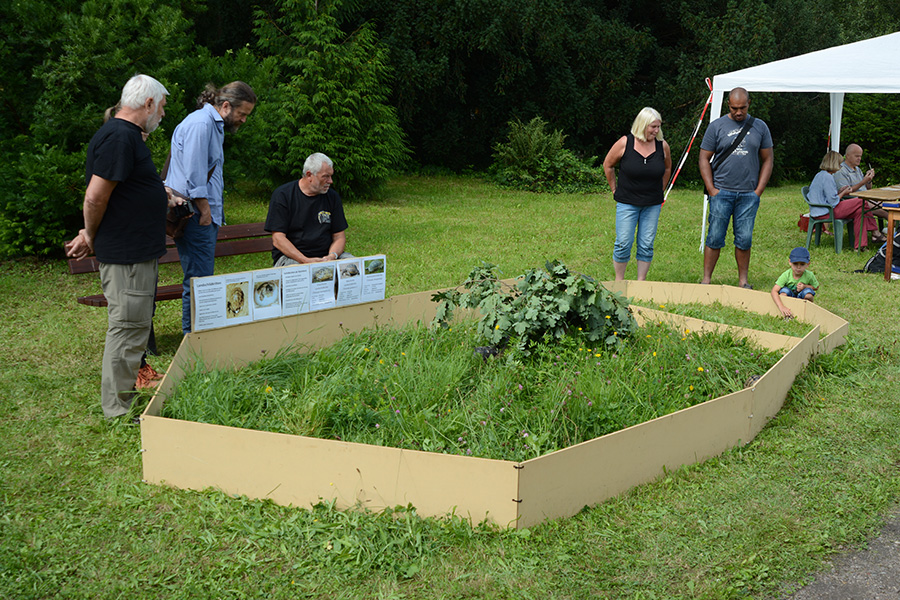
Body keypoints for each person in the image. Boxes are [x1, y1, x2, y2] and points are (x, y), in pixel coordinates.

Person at [65, 74, 175, 420]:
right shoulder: (119, 137)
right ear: (148, 104)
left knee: (135, 326)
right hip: (127, 253)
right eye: (162, 107)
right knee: (127, 328)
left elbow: (121, 192)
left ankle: (122, 400)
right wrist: (90, 234)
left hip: (136, 250)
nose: (162, 114)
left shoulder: (123, 135)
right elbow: (95, 196)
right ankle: (116, 410)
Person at [164, 81, 256, 333]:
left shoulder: (212, 125)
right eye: (242, 114)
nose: (244, 120)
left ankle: (197, 339)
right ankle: (192, 342)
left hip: (201, 214)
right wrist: (205, 211)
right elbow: (195, 174)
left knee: (200, 281)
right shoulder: (201, 124)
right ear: (226, 106)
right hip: (195, 215)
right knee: (198, 283)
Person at [699, 87, 774, 288]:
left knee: (744, 238)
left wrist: (758, 190)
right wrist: (712, 189)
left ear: (749, 103)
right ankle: (706, 279)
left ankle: (743, 281)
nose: (738, 112)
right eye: (734, 108)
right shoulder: (716, 126)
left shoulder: (760, 127)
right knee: (714, 236)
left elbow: (768, 160)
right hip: (722, 191)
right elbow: (704, 158)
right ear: (728, 106)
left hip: (748, 194)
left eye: (742, 108)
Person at [602, 107, 672, 281]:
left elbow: (668, 167)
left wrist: (661, 189)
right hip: (627, 202)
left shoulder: (662, 145)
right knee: (623, 243)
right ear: (642, 125)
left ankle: (641, 282)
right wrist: (614, 189)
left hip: (652, 204)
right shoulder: (625, 143)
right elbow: (608, 165)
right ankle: (619, 280)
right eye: (653, 127)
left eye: (658, 127)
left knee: (646, 244)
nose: (656, 131)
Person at [265, 153, 350, 266]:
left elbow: (339, 237)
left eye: (331, 176)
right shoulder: (283, 195)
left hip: (326, 256)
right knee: (302, 276)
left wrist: (332, 256)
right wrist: (305, 260)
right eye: (325, 176)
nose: (330, 181)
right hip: (292, 258)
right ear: (309, 175)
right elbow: (278, 239)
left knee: (354, 267)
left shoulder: (332, 197)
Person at [807, 150, 883, 250]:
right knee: (861, 201)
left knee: (860, 211)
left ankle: (860, 246)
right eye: (839, 164)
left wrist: (840, 192)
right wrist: (843, 193)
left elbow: (827, 196)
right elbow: (832, 201)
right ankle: (875, 232)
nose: (840, 167)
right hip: (826, 212)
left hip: (819, 210)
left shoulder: (820, 175)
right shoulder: (827, 177)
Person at [833, 143, 889, 227]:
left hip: (865, 198)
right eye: (857, 156)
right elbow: (846, 192)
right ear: (847, 156)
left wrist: (869, 180)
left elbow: (867, 188)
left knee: (889, 204)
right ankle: (890, 229)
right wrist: (863, 181)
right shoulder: (841, 171)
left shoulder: (857, 169)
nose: (859, 159)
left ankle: (889, 229)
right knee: (885, 210)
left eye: (860, 156)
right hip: (854, 201)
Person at [771, 247, 819, 319]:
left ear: (808, 264)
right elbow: (774, 291)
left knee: (809, 294)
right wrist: (781, 306)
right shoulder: (786, 275)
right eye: (795, 264)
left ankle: (807, 312)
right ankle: (786, 313)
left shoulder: (809, 275)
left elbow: (816, 287)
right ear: (790, 262)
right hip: (790, 296)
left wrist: (805, 286)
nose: (798, 267)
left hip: (802, 296)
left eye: (802, 264)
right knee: (784, 292)